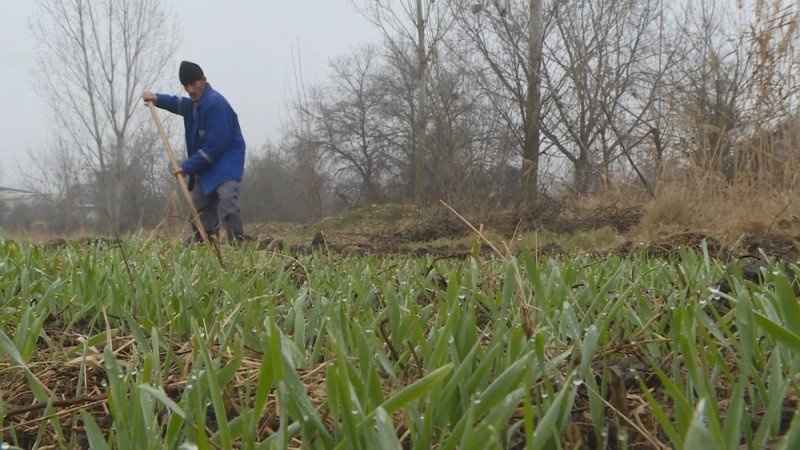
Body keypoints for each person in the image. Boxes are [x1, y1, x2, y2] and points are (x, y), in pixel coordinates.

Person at [143, 61, 247, 243]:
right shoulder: (193, 104)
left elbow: (214, 148)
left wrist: (186, 167)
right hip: (205, 164)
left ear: (204, 80)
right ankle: (205, 240)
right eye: (186, 86)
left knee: (227, 202)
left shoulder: (215, 104)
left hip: (225, 162)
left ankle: (237, 243)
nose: (190, 89)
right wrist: (157, 99)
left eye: (194, 84)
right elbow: (178, 104)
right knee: (199, 205)